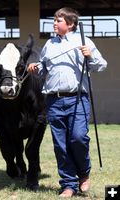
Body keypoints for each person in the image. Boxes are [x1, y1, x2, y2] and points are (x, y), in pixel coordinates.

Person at [27, 7, 107, 198]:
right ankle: (68, 185)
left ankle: (84, 172)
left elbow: (101, 65)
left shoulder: (84, 41)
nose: (54, 23)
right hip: (54, 101)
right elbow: (43, 68)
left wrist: (91, 55)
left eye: (58, 20)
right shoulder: (49, 45)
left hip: (78, 98)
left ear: (70, 24)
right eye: (54, 20)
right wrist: (34, 68)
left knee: (78, 138)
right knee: (60, 145)